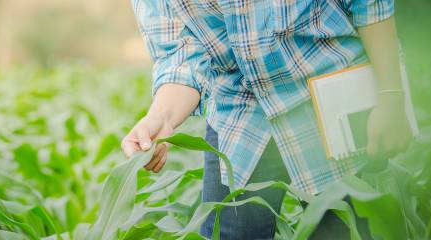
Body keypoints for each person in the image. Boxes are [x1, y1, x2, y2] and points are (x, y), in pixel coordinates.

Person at [122, 0, 413, 239]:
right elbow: (181, 57)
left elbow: (368, 5)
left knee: (342, 229)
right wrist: (160, 117)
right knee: (226, 232)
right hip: (241, 112)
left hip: (330, 99)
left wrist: (391, 95)